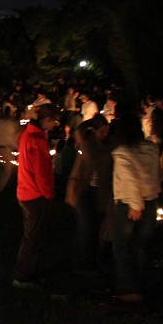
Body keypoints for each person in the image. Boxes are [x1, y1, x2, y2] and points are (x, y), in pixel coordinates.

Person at [108, 113, 161, 305]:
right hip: (151, 200)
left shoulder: (123, 153)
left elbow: (129, 180)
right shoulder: (152, 149)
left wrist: (135, 205)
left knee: (122, 247)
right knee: (140, 246)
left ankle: (127, 289)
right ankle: (139, 284)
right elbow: (156, 173)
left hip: (130, 205)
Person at [12, 104, 60, 289]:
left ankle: (31, 272)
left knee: (33, 235)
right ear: (46, 120)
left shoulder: (28, 134)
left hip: (26, 190)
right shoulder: (36, 138)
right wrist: (48, 193)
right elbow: (41, 171)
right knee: (33, 237)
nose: (55, 125)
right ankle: (22, 276)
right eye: (54, 121)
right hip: (35, 194)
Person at [64, 115, 112, 276]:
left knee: (95, 226)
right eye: (102, 131)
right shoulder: (87, 143)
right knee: (87, 226)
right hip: (84, 190)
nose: (105, 134)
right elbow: (80, 129)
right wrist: (92, 124)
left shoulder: (108, 146)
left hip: (99, 191)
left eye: (107, 131)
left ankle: (90, 260)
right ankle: (82, 263)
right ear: (95, 131)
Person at [0, 105, 21, 196]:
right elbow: (15, 137)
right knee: (7, 172)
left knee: (1, 170)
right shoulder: (11, 124)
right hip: (5, 149)